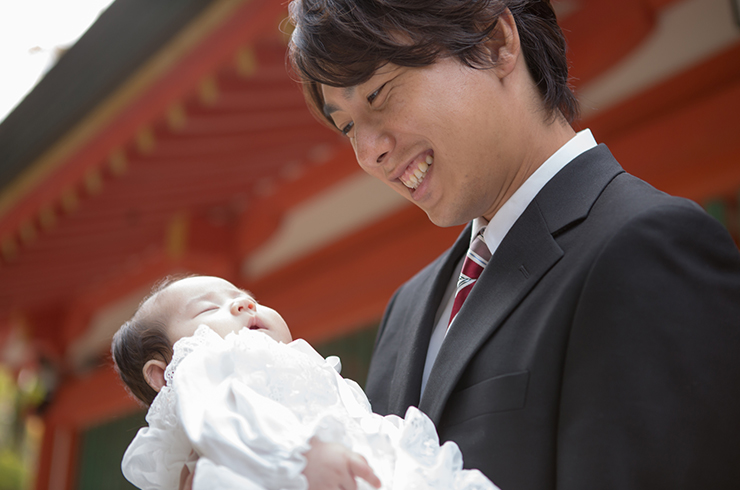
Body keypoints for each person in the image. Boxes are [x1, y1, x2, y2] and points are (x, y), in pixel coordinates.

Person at [286, 0, 740, 488]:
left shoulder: (648, 249)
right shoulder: (406, 310)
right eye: (347, 125)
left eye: (378, 94)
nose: (369, 151)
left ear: (495, 42)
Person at [111, 275, 498, 490]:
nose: (245, 304)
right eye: (210, 308)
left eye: (246, 297)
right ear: (164, 374)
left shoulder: (316, 372)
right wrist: (298, 455)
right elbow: (220, 416)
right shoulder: (207, 364)